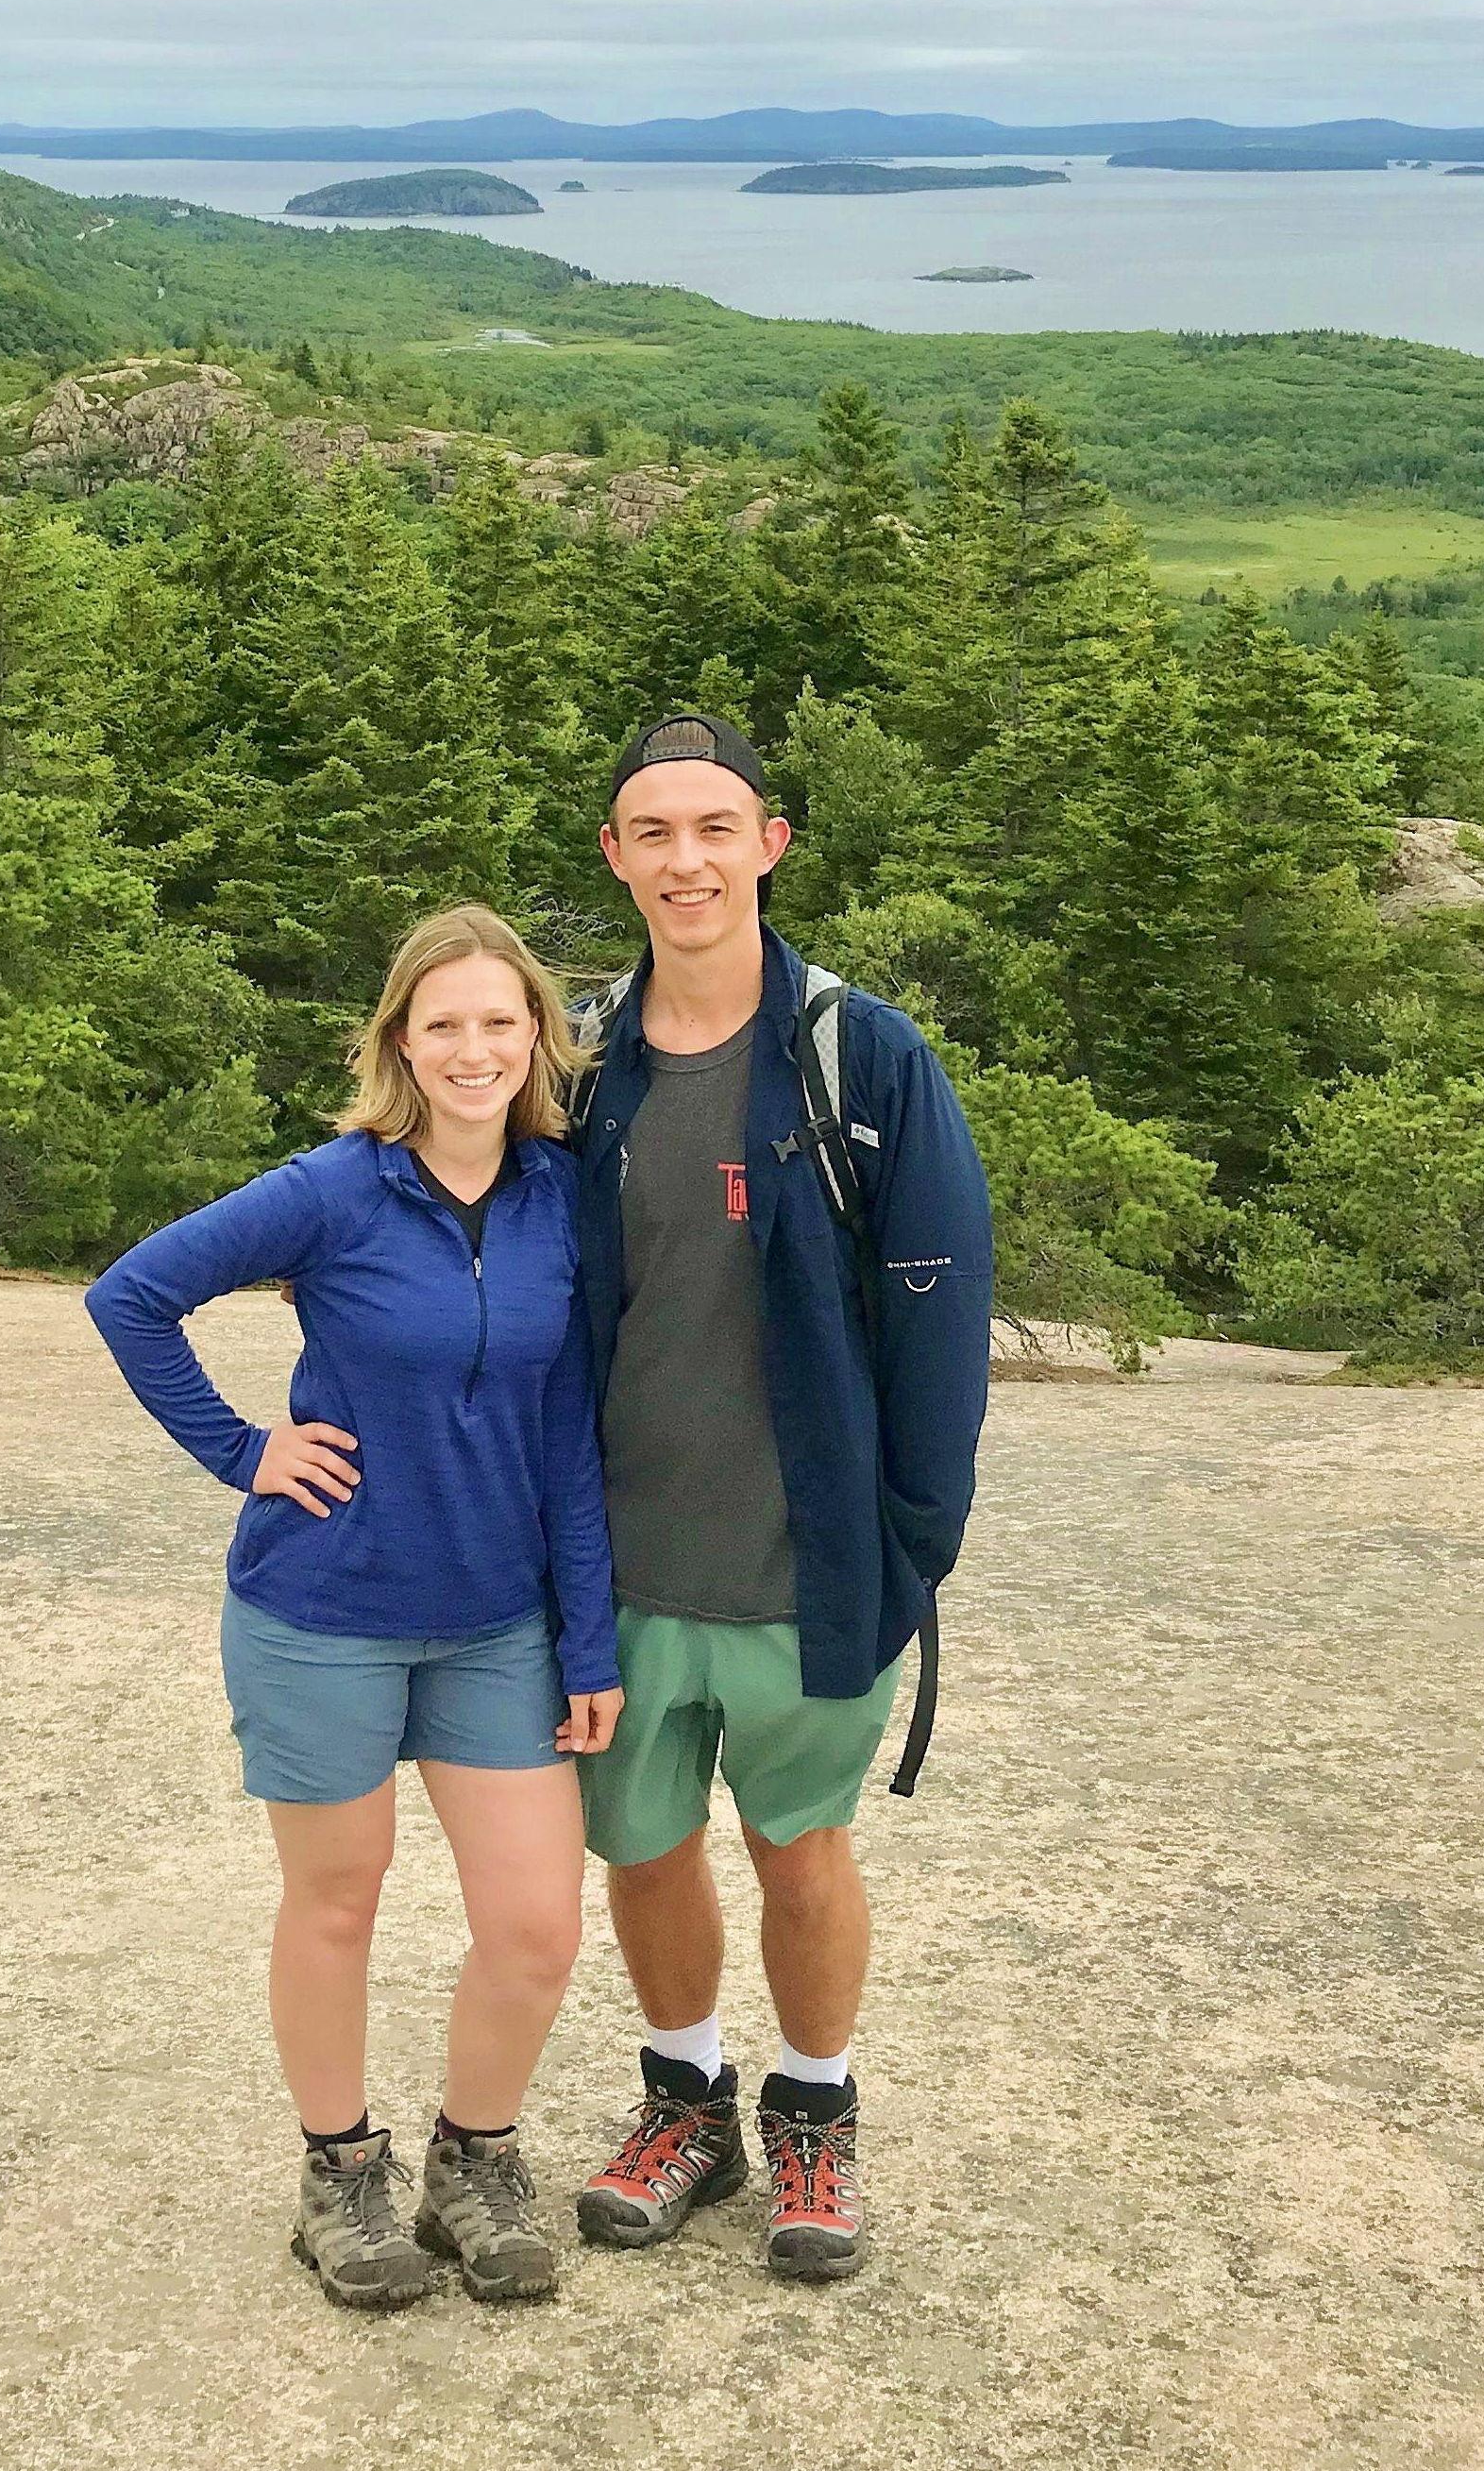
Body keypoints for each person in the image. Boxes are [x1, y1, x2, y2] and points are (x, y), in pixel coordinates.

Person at [87, 905, 624, 2313]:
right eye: (442, 1023)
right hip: (324, 1606)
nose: (474, 1049)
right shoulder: (331, 1189)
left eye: (501, 1022)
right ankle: (340, 2174)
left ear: (537, 1040)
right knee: (337, 1898)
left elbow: (570, 1433)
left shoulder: (565, 1197)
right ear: (398, 1040)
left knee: (536, 1924)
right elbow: (133, 1296)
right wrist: (244, 1449)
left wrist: (590, 1634)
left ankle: (474, 2156)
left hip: (498, 1621)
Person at [563, 711, 994, 2281]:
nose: (688, 859)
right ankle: (689, 2099)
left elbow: (943, 1320)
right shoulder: (579, 1056)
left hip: (807, 1560)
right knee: (646, 1846)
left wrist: (907, 1548)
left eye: (715, 828)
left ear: (769, 845)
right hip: (617, 1559)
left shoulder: (857, 1054)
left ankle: (814, 2117)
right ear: (616, 857)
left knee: (797, 1846)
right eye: (654, 834)